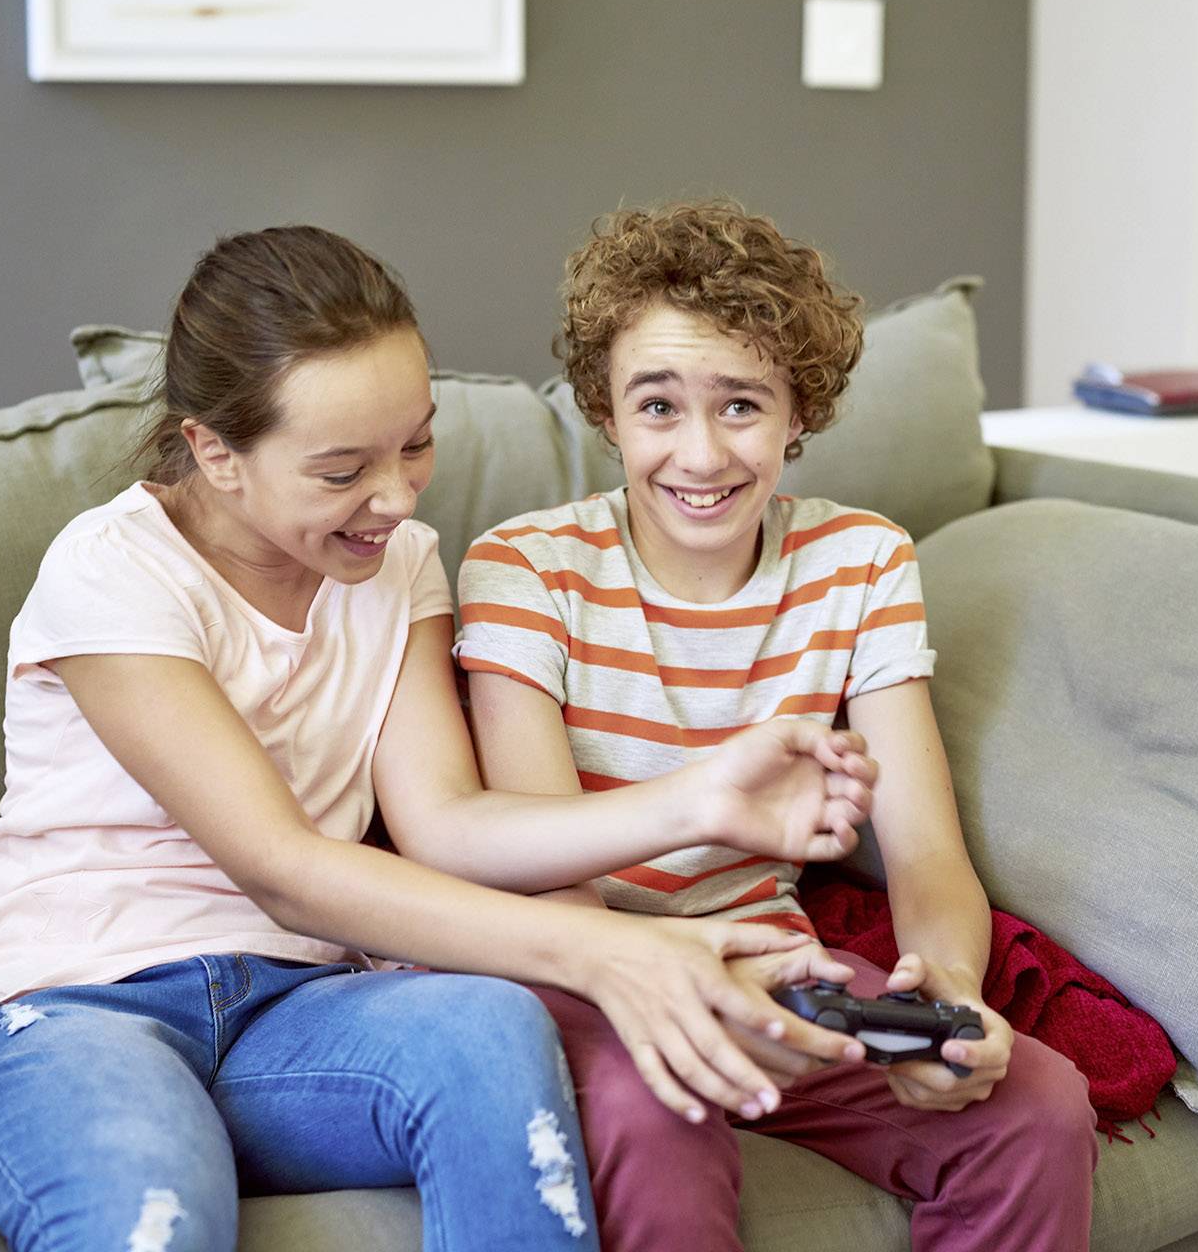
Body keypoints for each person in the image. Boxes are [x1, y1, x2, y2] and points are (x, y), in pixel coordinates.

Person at [0, 224, 881, 1252]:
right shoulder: (113, 569)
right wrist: (614, 949)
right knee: (155, 1215)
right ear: (214, 451)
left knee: (489, 1027)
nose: (397, 496)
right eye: (342, 470)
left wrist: (700, 798)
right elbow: (283, 866)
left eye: (415, 441)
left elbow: (447, 823)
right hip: (69, 1008)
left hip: (294, 1009)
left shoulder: (401, 564)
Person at [430, 202, 1099, 1251]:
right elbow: (543, 862)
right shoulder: (523, 567)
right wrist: (699, 980)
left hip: (779, 968)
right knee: (664, 1118)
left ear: (800, 412)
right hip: (584, 973)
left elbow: (925, 850)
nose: (700, 453)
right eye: (658, 406)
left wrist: (952, 998)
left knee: (1038, 1107)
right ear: (606, 411)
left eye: (741, 404)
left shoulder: (863, 561)